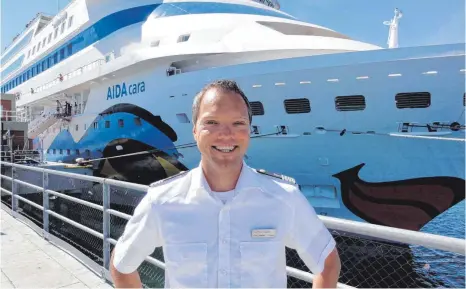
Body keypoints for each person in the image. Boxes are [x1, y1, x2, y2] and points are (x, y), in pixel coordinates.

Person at [110, 79, 341, 288]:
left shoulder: (284, 198)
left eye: (238, 123)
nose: (226, 134)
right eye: (212, 122)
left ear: (249, 130)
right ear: (195, 131)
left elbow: (327, 263)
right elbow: (121, 266)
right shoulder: (161, 201)